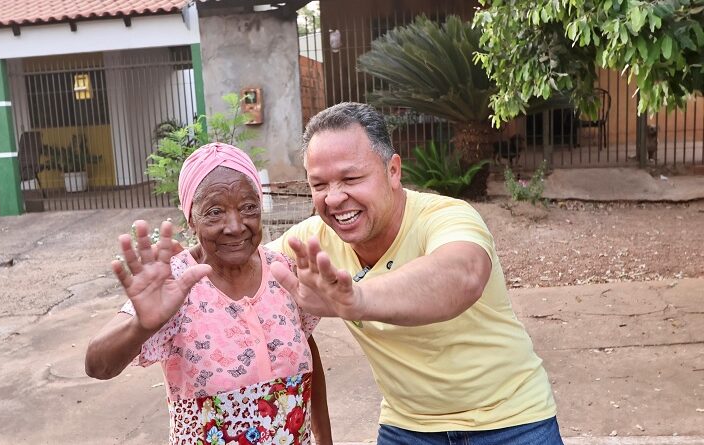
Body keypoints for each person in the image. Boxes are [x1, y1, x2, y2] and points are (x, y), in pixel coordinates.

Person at [267, 102, 563, 444]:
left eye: (351, 178)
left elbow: (463, 275)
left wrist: (357, 299)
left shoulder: (446, 216)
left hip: (513, 420)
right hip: (408, 427)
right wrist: (193, 259)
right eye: (319, 185)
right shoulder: (312, 242)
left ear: (393, 171)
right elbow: (240, 266)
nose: (333, 199)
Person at [86, 142, 332, 445]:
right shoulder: (173, 283)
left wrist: (324, 439)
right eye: (215, 212)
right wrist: (141, 325)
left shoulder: (283, 269)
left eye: (248, 207)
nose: (235, 226)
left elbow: (305, 344)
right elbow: (97, 365)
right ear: (191, 219)